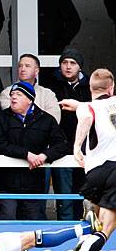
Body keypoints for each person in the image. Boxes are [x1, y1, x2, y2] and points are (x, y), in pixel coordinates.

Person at [58, 68, 116, 251]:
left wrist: (76, 147)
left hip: (95, 173)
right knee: (107, 229)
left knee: (99, 225)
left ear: (90, 88)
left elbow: (85, 119)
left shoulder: (87, 106)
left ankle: (89, 217)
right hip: (115, 169)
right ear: (111, 88)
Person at [0, 81, 69, 220]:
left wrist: (45, 156)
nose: (13, 97)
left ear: (30, 99)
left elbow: (62, 145)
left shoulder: (46, 119)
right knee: (8, 221)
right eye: (12, 94)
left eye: (18, 94)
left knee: (33, 224)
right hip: (7, 183)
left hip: (34, 183)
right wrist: (26, 154)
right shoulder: (1, 118)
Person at [49, 47, 90, 220]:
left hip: (86, 148)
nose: (68, 66)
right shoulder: (52, 87)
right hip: (61, 148)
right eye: (64, 63)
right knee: (64, 197)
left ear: (79, 67)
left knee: (83, 194)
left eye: (72, 63)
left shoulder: (89, 88)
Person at [0, 53, 61, 122]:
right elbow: (10, 118)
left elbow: (54, 119)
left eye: (27, 66)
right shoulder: (7, 93)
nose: (22, 69)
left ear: (36, 71)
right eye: (20, 66)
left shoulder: (47, 94)